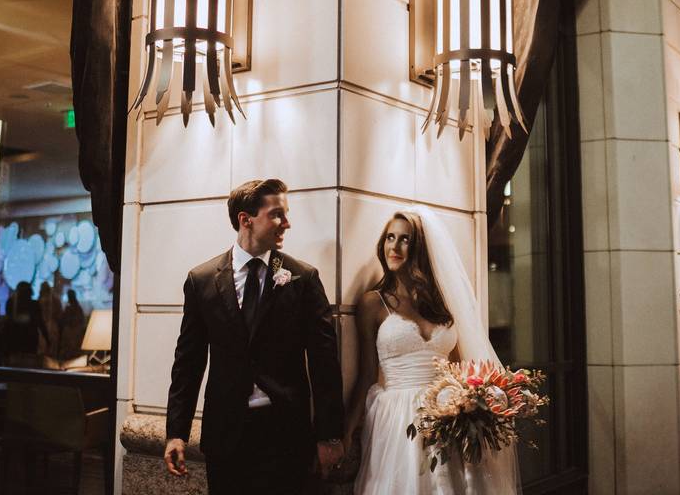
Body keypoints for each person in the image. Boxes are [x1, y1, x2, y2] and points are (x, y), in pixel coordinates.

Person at [163, 179, 345, 494]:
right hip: (226, 435)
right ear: (246, 219)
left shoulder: (304, 279)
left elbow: (324, 362)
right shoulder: (202, 280)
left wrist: (329, 436)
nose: (286, 223)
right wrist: (176, 432)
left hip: (286, 434)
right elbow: (188, 362)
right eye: (276, 214)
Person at [346, 208, 519, 494]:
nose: (395, 246)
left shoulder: (442, 302)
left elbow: (458, 368)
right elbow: (365, 376)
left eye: (405, 239)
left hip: (447, 415)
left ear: (421, 248)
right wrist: (345, 432)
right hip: (398, 419)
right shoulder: (373, 303)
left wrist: (477, 404)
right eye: (390, 237)